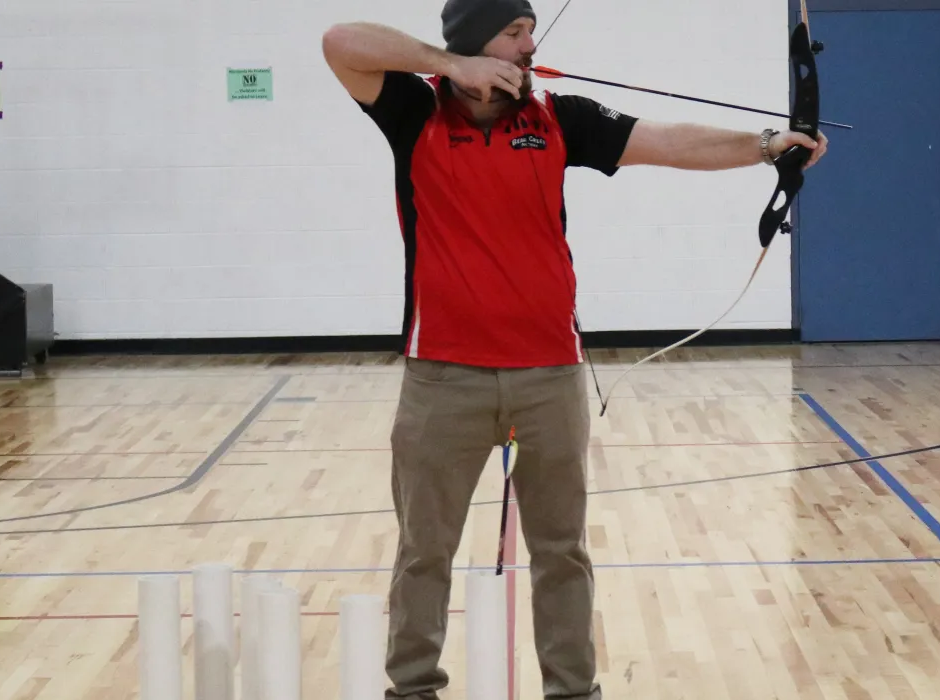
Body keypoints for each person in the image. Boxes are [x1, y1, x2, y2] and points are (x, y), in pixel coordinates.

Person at [321, 1, 826, 697]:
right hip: (442, 373)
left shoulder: (559, 117)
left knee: (561, 552)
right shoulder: (415, 110)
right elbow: (340, 40)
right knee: (424, 552)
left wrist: (769, 144)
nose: (530, 43)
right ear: (476, 42)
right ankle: (412, 687)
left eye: (531, 29)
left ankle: (572, 688)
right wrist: (450, 65)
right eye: (514, 31)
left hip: (549, 374)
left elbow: (669, 142)